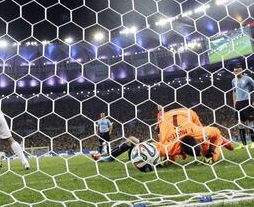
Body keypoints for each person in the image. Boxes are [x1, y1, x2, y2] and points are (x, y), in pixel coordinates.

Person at [93, 108, 234, 165]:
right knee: (134, 141)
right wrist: (211, 155)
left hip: (186, 115)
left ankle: (107, 157)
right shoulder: (167, 148)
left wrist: (210, 153)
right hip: (173, 118)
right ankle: (107, 158)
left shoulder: (199, 134)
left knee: (134, 140)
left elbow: (215, 132)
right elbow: (216, 132)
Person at [232, 64, 254, 149]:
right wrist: (234, 102)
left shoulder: (247, 78)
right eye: (235, 71)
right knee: (240, 123)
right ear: (233, 72)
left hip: (247, 101)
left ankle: (253, 142)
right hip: (238, 103)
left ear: (242, 70)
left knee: (250, 122)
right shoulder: (233, 80)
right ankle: (243, 144)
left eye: (239, 70)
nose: (237, 72)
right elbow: (234, 91)